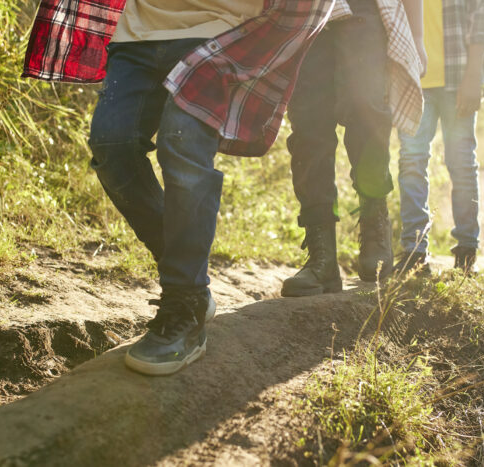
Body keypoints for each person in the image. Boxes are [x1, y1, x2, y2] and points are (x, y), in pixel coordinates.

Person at [23, 0, 336, 375]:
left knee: (182, 146)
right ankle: (184, 274)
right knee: (112, 147)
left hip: (221, 34)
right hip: (138, 33)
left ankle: (185, 302)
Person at [281, 0, 426, 296]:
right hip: (304, 11)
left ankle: (374, 222)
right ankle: (322, 256)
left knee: (367, 112)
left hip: (365, 10)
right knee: (308, 126)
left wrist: (418, 38)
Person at [394, 0, 484, 275]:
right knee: (411, 160)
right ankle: (415, 252)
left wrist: (474, 73)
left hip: (458, 76)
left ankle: (466, 251)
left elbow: (480, 17)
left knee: (461, 163)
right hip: (413, 76)